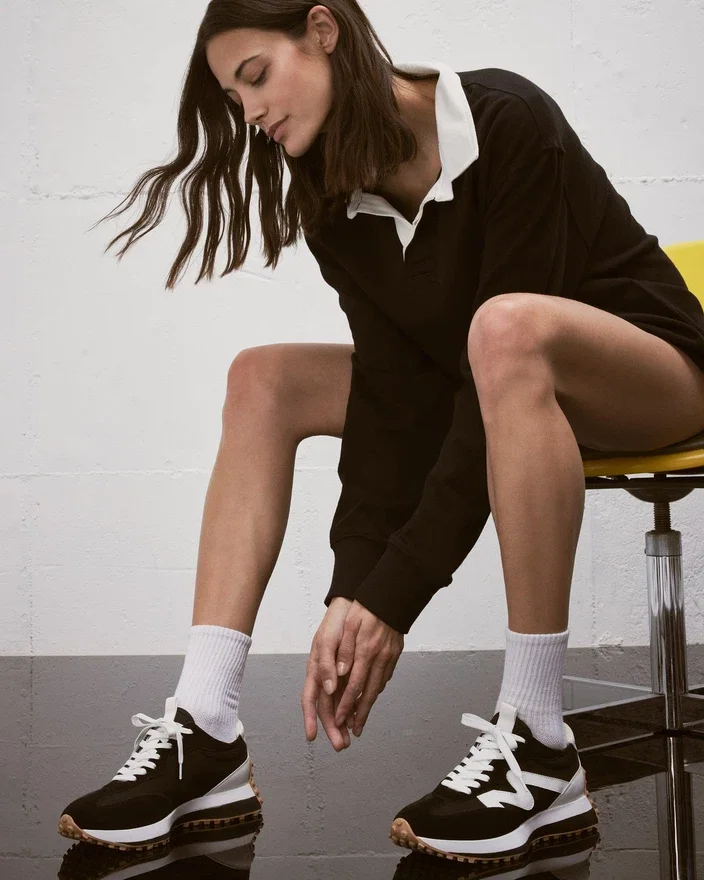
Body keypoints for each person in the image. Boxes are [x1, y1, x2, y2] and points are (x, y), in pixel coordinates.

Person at [57, 0, 704, 865]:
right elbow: (394, 401)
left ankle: (540, 739)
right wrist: (351, 589)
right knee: (263, 378)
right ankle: (205, 729)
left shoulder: (508, 122)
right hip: (493, 384)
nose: (251, 113)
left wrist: (392, 599)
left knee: (503, 329)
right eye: (234, 98)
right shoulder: (329, 192)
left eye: (256, 77)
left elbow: (490, 383)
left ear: (323, 33)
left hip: (656, 371)